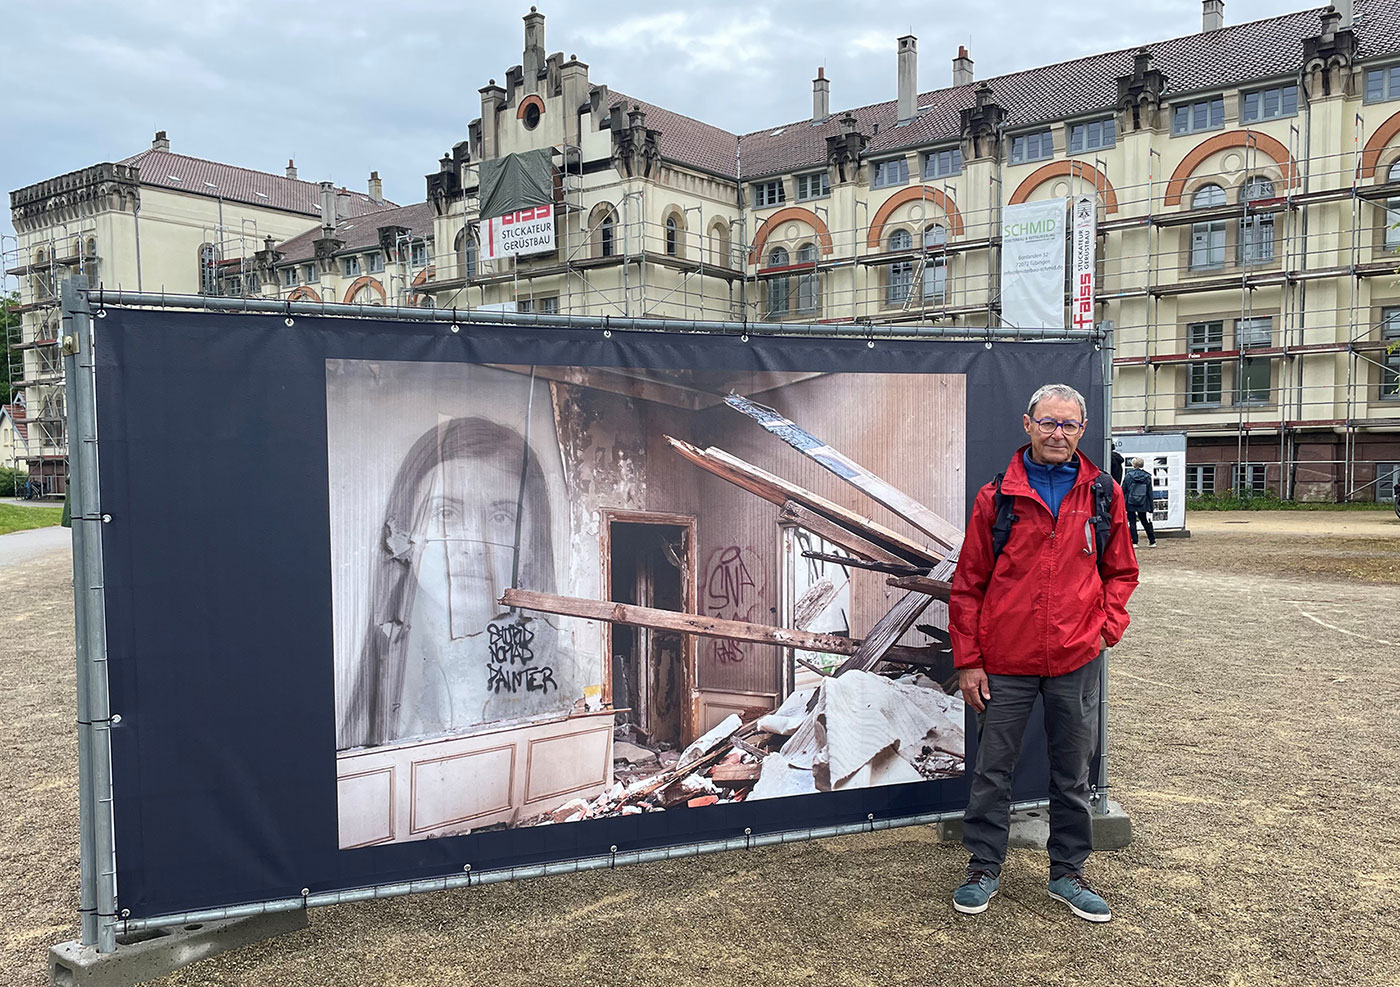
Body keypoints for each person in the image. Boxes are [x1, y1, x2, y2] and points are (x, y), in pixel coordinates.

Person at [947, 383, 1139, 923]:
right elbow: (969, 583)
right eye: (1049, 423)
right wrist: (968, 659)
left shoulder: (1103, 494)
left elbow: (1121, 571)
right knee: (992, 770)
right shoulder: (997, 497)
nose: (1059, 434)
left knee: (1072, 772)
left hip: (1075, 657)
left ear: (1082, 430)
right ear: (1027, 423)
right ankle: (984, 867)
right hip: (1004, 659)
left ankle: (1068, 873)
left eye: (1070, 425)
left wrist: (1107, 626)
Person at [337, 416, 562, 751]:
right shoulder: (355, 690)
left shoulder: (569, 680)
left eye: (502, 517)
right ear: (405, 535)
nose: (473, 546)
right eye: (445, 513)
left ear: (531, 544)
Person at [1122, 457, 1156, 548]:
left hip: (1130, 502)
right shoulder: (1147, 477)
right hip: (1143, 502)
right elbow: (1149, 492)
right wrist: (1151, 507)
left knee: (1132, 522)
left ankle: (1134, 542)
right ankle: (1152, 541)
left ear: (1133, 465)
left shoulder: (1128, 476)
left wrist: (1122, 503)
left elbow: (1123, 490)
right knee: (1144, 520)